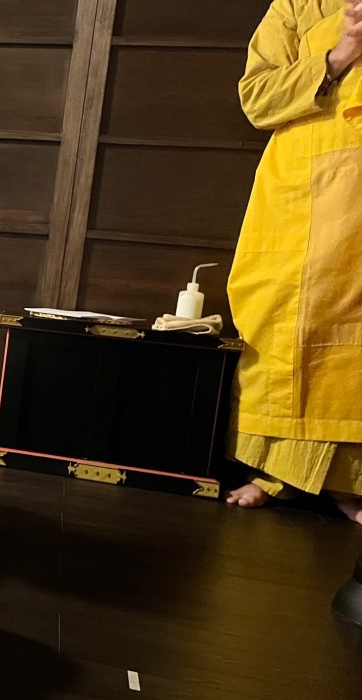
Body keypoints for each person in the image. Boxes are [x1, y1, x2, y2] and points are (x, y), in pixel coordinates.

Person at [226, 0, 362, 521]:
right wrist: (341, 52)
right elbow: (257, 98)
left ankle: (348, 482)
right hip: (304, 185)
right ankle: (279, 472)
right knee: (291, 325)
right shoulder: (296, 6)